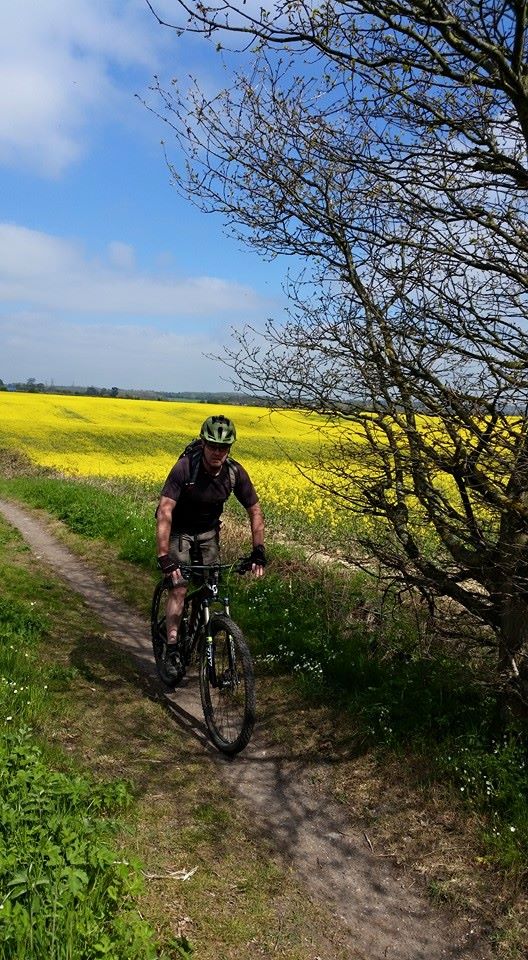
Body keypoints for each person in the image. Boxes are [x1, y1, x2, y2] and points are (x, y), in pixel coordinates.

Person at [155, 414, 265, 674]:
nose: (218, 452)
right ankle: (171, 647)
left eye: (223, 447)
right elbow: (165, 510)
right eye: (213, 445)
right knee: (179, 586)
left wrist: (258, 550)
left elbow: (255, 510)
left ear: (230, 448)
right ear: (203, 443)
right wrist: (163, 556)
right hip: (179, 530)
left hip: (207, 532)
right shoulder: (185, 468)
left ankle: (199, 633)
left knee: (210, 589)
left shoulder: (234, 473)